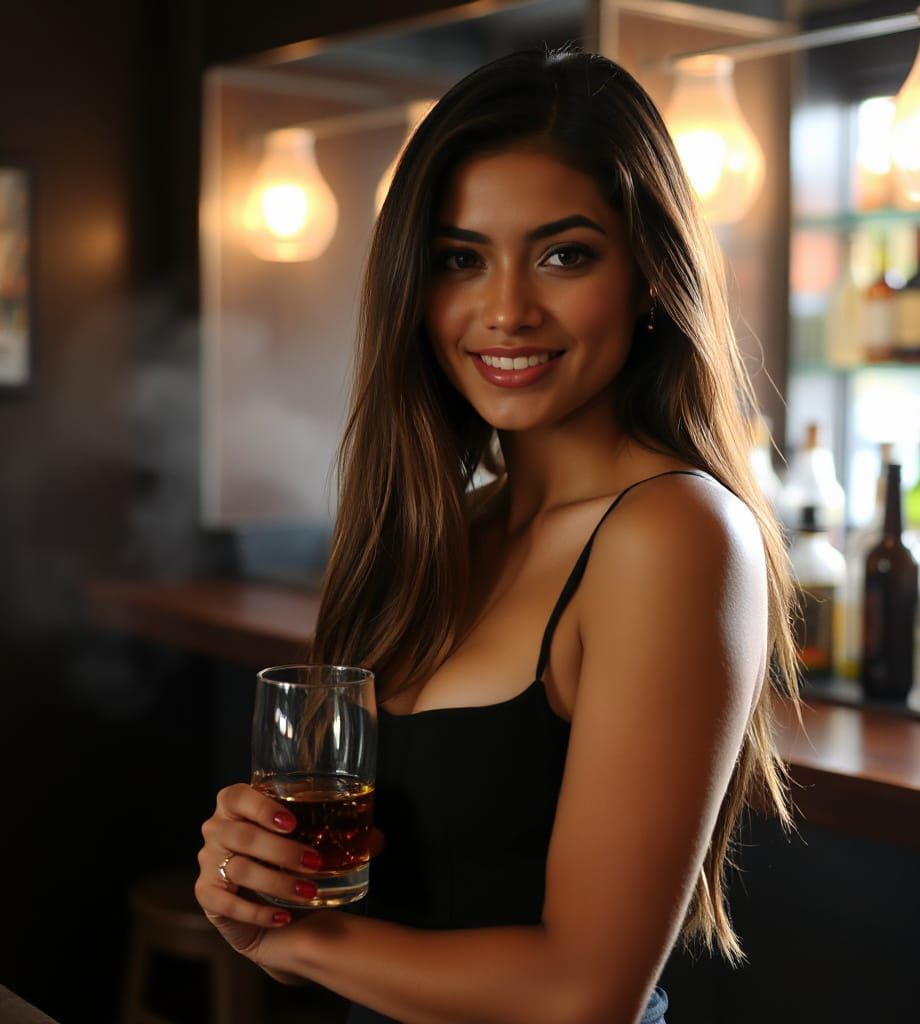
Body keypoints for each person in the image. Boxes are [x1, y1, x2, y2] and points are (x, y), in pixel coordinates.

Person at [195, 44, 803, 1024]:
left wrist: (294, 938)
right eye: (460, 259)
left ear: (649, 276)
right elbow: (349, 928)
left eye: (564, 253)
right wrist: (259, 878)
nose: (507, 309)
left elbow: (581, 994)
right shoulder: (447, 525)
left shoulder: (673, 534)